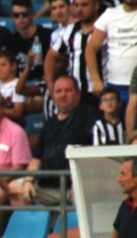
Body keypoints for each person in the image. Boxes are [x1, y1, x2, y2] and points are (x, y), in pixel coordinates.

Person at [11, 75, 99, 205]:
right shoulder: (49, 124)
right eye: (58, 91)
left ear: (78, 94)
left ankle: (77, 226)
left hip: (75, 183)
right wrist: (28, 181)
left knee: (83, 195)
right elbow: (36, 158)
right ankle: (32, 225)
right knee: (15, 188)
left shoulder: (90, 116)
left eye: (67, 90)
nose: (63, 95)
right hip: (47, 185)